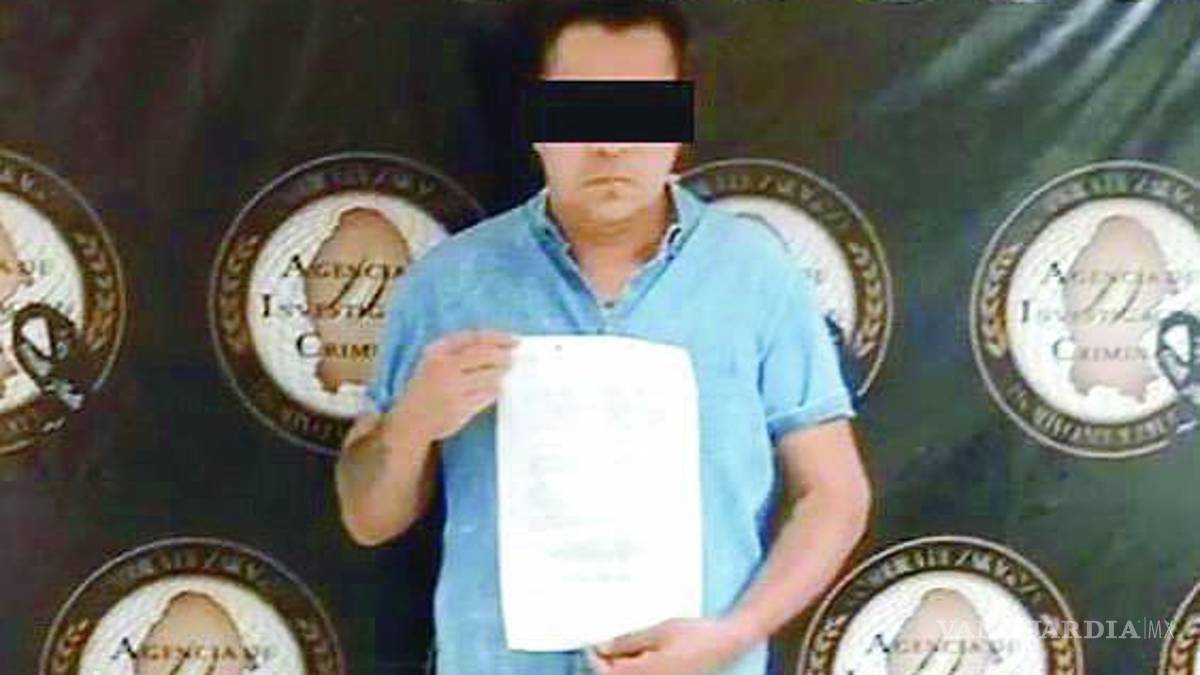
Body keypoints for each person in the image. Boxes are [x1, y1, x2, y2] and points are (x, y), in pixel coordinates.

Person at [335, 1, 871, 673]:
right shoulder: (450, 284)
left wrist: (735, 633)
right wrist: (413, 422)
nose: (611, 143)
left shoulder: (754, 275)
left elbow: (835, 494)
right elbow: (367, 517)